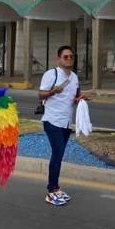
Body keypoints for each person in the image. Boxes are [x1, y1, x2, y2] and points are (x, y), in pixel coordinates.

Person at [38, 45, 81, 206]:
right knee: (57, 153)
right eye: (65, 57)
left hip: (66, 122)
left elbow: (74, 97)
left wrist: (81, 99)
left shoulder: (75, 77)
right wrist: (52, 92)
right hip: (52, 120)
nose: (69, 59)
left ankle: (55, 188)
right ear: (59, 58)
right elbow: (40, 94)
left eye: (71, 56)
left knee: (59, 155)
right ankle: (52, 189)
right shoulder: (51, 74)